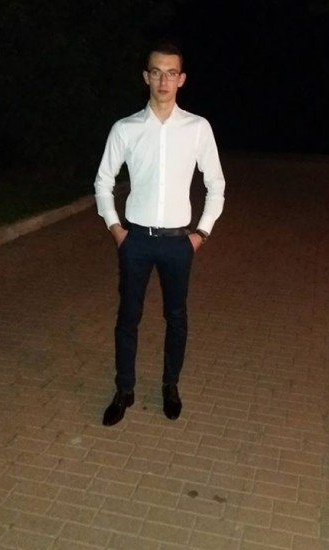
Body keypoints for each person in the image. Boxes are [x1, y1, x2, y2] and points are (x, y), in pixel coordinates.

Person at [94, 42, 225, 426]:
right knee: (127, 318)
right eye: (156, 72)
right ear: (146, 77)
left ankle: (170, 385)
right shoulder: (126, 129)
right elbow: (103, 181)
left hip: (178, 242)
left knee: (176, 317)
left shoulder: (197, 128)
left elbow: (216, 184)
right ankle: (124, 389)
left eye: (171, 73)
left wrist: (201, 233)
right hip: (135, 240)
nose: (163, 80)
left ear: (181, 79)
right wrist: (116, 228)